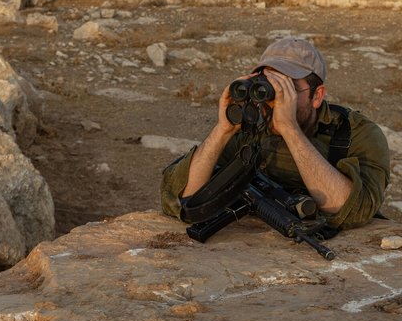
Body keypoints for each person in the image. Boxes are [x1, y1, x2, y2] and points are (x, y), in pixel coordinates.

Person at [161, 37, 389, 230]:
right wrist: (223, 130)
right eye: (269, 84)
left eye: (288, 87)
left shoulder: (357, 134)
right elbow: (178, 198)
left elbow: (353, 212)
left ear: (317, 96)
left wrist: (290, 129)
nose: (277, 96)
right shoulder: (251, 128)